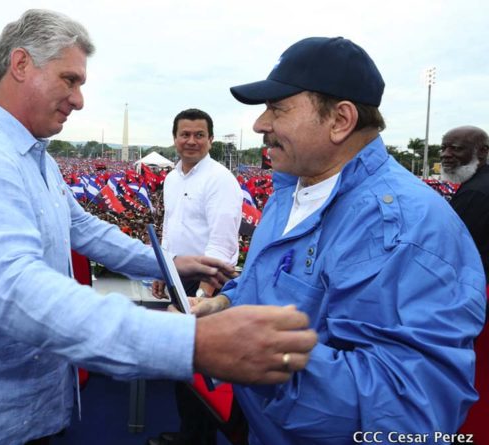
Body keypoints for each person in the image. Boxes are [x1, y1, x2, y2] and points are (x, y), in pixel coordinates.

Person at [0, 9, 316, 445]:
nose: (78, 100)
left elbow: (82, 227)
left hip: (26, 406)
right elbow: (13, 291)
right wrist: (192, 342)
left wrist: (169, 264)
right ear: (20, 65)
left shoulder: (32, 155)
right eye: (70, 80)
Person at [186, 36, 486, 444]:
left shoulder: (400, 230)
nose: (260, 125)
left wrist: (248, 354)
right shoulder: (292, 188)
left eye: (278, 108)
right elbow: (268, 282)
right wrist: (222, 304)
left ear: (340, 120)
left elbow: (407, 413)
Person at [150, 109, 243, 445]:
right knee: (182, 365)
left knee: (201, 369)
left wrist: (202, 297)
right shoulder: (172, 178)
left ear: (211, 140)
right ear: (174, 138)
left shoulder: (220, 180)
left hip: (205, 286)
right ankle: (188, 434)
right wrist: (162, 269)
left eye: (198, 135)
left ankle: (198, 440)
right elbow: (171, 232)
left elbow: (222, 246)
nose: (191, 141)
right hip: (179, 278)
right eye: (184, 134)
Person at [440, 125, 489, 443]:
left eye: (456, 148)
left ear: (482, 152)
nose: (446, 154)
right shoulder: (477, 185)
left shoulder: (475, 192)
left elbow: (453, 256)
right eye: (444, 147)